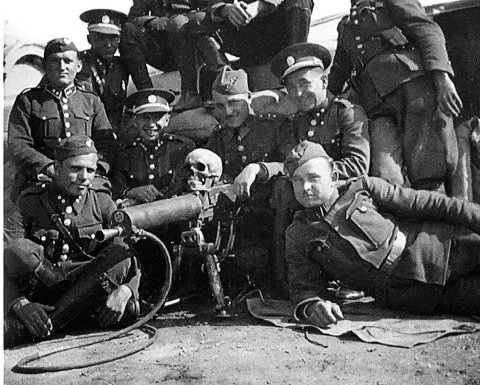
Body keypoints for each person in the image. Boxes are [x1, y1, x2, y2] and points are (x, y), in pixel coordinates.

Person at [285, 140, 480, 327]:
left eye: (313, 177)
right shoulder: (298, 233)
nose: (305, 187)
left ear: (333, 176)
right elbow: (303, 286)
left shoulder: (363, 187)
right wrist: (313, 306)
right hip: (414, 295)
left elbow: (428, 203)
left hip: (444, 249)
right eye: (297, 180)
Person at [329, 0, 462, 191]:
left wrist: (442, 78)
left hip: (414, 90)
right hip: (377, 106)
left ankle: (444, 222)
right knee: (387, 176)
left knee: (429, 167)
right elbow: (337, 74)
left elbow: (427, 31)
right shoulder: (344, 26)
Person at [3, 136, 141, 348]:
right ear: (57, 168)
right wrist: (19, 303)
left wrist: (126, 290)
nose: (84, 177)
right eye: (76, 169)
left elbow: (128, 250)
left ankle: (37, 328)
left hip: (88, 285)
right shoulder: (29, 202)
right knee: (18, 251)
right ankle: (66, 320)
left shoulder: (101, 200)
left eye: (91, 170)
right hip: (43, 291)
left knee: (120, 259)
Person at [270, 42, 370, 296]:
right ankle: (287, 279)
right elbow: (289, 166)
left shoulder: (347, 113)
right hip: (310, 196)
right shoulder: (293, 124)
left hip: (345, 192)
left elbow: (358, 165)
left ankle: (350, 276)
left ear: (324, 82)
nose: (298, 93)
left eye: (304, 84)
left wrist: (319, 177)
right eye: (291, 88)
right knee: (283, 190)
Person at [205, 67, 296, 284]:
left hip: (274, 215)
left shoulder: (274, 126)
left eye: (233, 102)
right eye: (220, 105)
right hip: (237, 220)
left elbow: (292, 164)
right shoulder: (219, 137)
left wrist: (257, 168)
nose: (227, 112)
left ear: (248, 98)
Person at [8, 37, 115, 201]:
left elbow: (106, 144)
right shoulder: (28, 101)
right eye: (55, 61)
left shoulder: (91, 101)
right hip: (43, 181)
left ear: (78, 66)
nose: (62, 67)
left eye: (68, 61)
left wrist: (93, 172)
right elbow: (19, 145)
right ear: (45, 66)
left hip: (87, 183)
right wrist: (48, 168)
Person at [111, 89, 195, 203]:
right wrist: (131, 192)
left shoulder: (182, 148)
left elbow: (183, 187)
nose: (151, 124)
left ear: (167, 120)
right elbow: (116, 188)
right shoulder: (125, 153)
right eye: (145, 117)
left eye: (157, 117)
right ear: (135, 121)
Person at [77, 8, 130, 131]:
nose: (108, 44)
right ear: (89, 39)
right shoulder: (76, 64)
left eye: (113, 38)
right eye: (101, 38)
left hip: (113, 134)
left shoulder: (122, 66)